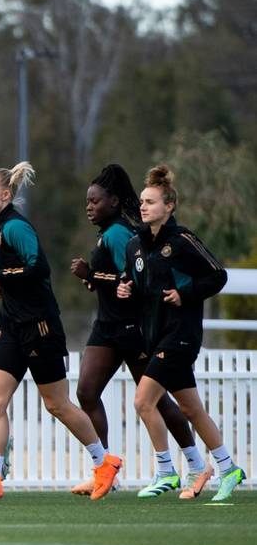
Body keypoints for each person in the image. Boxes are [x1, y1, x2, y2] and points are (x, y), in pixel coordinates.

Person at [0, 161, 121, 501]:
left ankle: (104, 462)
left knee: (57, 405)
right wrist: (5, 286)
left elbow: (39, 268)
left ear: (6, 195)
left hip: (40, 326)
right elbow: (20, 274)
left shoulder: (15, 226)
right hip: (11, 325)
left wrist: (0, 275)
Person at [69, 164, 203, 498]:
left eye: (95, 201)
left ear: (113, 202)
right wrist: (93, 280)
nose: (89, 207)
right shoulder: (106, 233)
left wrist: (92, 275)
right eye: (87, 201)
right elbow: (114, 281)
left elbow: (131, 279)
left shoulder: (119, 234)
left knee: (157, 401)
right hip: (106, 327)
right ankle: (104, 469)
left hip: (131, 329)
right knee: (86, 391)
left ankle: (195, 462)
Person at [118, 165, 245, 502]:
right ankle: (229, 467)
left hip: (181, 335)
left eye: (151, 202)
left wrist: (184, 295)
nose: (143, 206)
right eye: (142, 201)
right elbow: (134, 281)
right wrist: (125, 287)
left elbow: (217, 275)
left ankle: (165, 471)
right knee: (191, 409)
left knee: (143, 401)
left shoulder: (183, 240)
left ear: (169, 206)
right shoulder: (135, 246)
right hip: (155, 336)